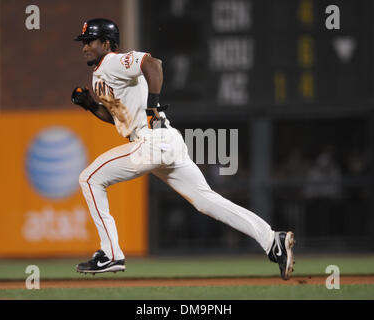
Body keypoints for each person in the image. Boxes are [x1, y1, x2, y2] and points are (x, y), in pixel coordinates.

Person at [71, 19, 295, 280]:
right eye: (84, 41)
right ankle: (272, 240)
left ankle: (110, 254)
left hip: (152, 141)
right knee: (206, 201)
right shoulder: (99, 73)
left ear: (106, 43)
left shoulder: (112, 61)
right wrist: (89, 105)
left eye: (90, 41)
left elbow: (153, 64)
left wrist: (152, 106)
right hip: (164, 142)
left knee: (89, 177)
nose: (84, 46)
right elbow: (119, 117)